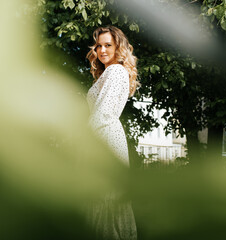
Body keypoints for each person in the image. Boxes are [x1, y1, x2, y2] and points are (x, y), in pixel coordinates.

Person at [86, 26, 139, 240]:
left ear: (119, 47)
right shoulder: (110, 72)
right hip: (105, 135)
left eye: (108, 45)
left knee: (103, 198)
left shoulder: (115, 70)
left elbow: (104, 114)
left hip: (104, 137)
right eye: (99, 45)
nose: (102, 50)